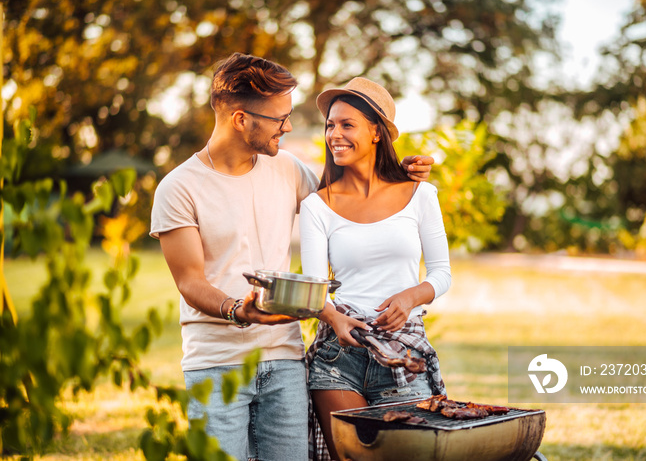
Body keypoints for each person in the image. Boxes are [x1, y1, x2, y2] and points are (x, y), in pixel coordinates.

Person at [149, 53, 434, 461]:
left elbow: (349, 198)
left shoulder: (288, 170)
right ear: (241, 120)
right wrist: (238, 311)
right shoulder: (179, 188)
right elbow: (190, 281)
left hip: (284, 359)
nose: (289, 126)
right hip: (216, 362)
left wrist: (396, 174)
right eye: (279, 118)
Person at [300, 77, 452, 460]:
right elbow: (315, 289)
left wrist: (410, 296)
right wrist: (334, 319)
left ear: (376, 133)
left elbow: (441, 273)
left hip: (403, 351)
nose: (335, 134)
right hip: (338, 356)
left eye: (347, 125)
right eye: (330, 125)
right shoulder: (317, 206)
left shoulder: (420, 194)